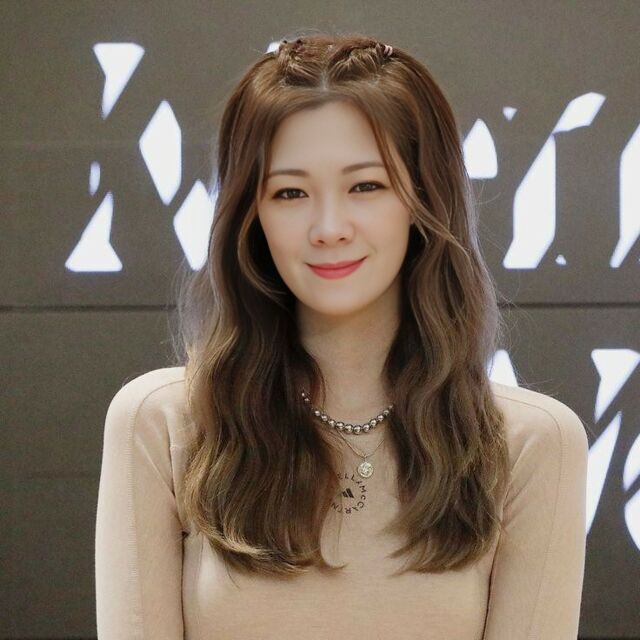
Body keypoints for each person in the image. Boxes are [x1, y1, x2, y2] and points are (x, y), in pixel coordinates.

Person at [95, 31, 590, 639]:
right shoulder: (164, 424)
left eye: (365, 186)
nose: (328, 227)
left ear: (424, 198)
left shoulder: (530, 444)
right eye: (290, 192)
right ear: (251, 215)